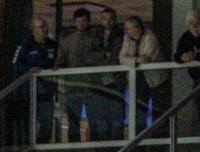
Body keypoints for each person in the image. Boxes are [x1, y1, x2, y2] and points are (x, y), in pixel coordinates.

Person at [54, 8, 102, 142]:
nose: (81, 24)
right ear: (75, 22)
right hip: (76, 87)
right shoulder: (69, 41)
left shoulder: (95, 39)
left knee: (92, 121)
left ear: (88, 21)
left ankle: (90, 145)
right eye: (78, 21)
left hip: (88, 86)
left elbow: (100, 59)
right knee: (79, 121)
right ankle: (81, 146)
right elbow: (60, 61)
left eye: (83, 21)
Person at [12, 17, 58, 144]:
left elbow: (58, 61)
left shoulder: (52, 45)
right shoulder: (25, 45)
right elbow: (15, 64)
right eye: (41, 27)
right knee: (29, 124)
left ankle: (42, 145)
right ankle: (28, 147)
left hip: (46, 92)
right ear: (33, 30)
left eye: (45, 26)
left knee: (47, 123)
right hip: (29, 93)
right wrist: (29, 69)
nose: (45, 29)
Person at [119, 16, 168, 131]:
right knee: (138, 113)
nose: (126, 31)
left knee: (158, 113)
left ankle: (158, 144)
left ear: (136, 28)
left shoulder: (151, 38)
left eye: (128, 28)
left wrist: (131, 60)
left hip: (156, 81)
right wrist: (136, 60)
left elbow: (146, 60)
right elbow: (121, 58)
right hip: (138, 82)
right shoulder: (127, 38)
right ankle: (139, 142)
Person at [92, 8, 124, 140]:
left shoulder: (121, 35)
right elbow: (90, 56)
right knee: (101, 120)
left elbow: (117, 57)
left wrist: (105, 56)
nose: (108, 21)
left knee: (117, 119)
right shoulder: (94, 34)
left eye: (110, 18)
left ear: (115, 20)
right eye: (105, 18)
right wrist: (105, 54)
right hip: (99, 83)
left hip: (116, 83)